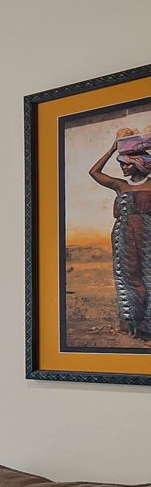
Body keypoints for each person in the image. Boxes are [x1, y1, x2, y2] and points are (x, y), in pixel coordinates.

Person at [89, 135, 151, 340]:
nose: (122, 168)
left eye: (126, 163)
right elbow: (94, 172)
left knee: (149, 278)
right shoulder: (120, 186)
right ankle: (131, 322)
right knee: (126, 277)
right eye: (121, 163)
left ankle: (147, 326)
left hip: (147, 235)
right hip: (123, 235)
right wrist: (112, 149)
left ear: (138, 163)